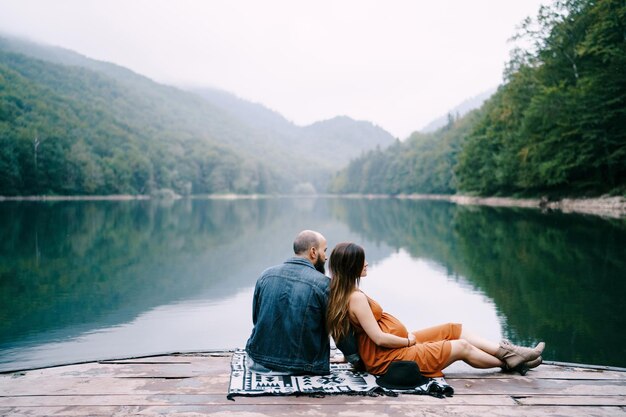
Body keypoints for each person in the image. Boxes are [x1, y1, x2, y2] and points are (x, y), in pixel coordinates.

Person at [326, 242, 545, 378]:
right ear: (351, 266)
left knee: (453, 328)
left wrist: (349, 358)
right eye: (362, 261)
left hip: (393, 348)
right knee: (461, 347)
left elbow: (347, 335)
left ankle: (511, 355)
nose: (367, 264)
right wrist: (408, 341)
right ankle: (510, 362)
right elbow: (379, 339)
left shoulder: (345, 293)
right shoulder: (354, 298)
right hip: (389, 356)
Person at [245, 230, 330, 375]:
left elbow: (256, 318)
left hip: (258, 362)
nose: (326, 257)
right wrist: (354, 357)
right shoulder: (324, 284)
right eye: (324, 251)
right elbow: (336, 329)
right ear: (313, 252)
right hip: (303, 367)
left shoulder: (265, 275)